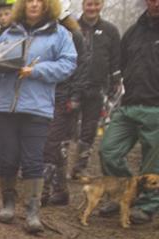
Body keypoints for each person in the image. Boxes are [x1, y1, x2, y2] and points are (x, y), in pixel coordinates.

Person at [0, 0, 77, 235]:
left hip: (37, 107)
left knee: (33, 160)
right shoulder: (9, 33)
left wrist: (36, 71)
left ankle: (32, 211)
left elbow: (68, 64)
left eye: (39, 0)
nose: (34, 4)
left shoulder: (60, 34)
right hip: (3, 106)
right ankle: (8, 204)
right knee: (7, 158)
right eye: (29, 0)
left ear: (48, 5)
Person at [96, 0, 159, 224]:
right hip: (129, 104)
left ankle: (148, 206)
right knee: (108, 150)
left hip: (156, 107)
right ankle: (125, 193)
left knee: (152, 163)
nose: (156, 3)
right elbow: (120, 63)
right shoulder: (133, 32)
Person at [40, 11, 89, 206]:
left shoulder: (74, 36)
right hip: (44, 96)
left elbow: (82, 67)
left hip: (64, 97)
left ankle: (41, 191)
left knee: (48, 144)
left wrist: (76, 96)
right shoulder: (41, 34)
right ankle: (61, 191)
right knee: (51, 144)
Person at [73, 0, 121, 180]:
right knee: (64, 128)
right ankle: (56, 168)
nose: (92, 8)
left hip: (97, 86)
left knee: (90, 128)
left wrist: (115, 80)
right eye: (89, 4)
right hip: (72, 87)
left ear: (102, 5)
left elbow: (116, 59)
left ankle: (80, 167)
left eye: (96, 4)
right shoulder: (72, 27)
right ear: (83, 5)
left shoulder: (111, 30)